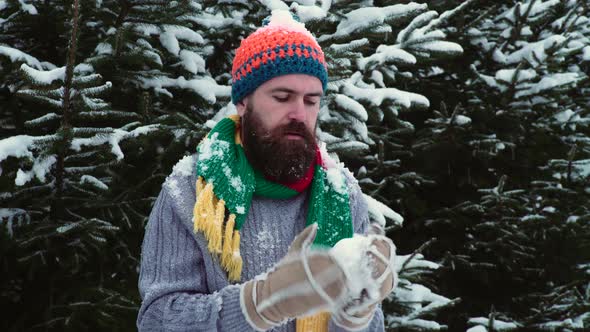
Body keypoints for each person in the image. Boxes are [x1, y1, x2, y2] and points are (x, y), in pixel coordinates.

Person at [137, 10, 397, 332]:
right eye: (283, 97)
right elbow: (158, 319)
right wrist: (259, 303)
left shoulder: (341, 192)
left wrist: (356, 314)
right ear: (244, 102)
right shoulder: (191, 191)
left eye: (311, 100)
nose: (299, 113)